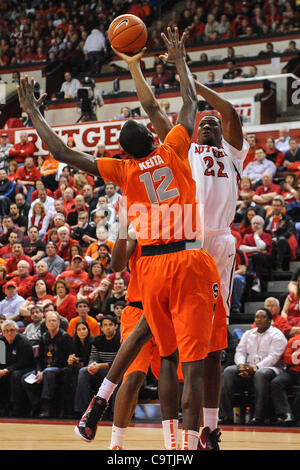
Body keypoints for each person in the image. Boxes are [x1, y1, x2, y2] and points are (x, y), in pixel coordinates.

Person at [17, 27, 223, 450]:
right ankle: (189, 446)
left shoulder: (123, 171)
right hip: (189, 259)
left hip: (150, 267)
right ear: (153, 139)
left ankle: (105, 408)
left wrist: (36, 115)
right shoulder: (172, 148)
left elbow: (63, 154)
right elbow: (187, 102)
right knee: (194, 364)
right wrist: (175, 62)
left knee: (164, 356)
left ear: (126, 153)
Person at [219, 308, 287, 425]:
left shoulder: (277, 335)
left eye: (262, 317)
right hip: (247, 367)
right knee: (229, 371)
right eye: (257, 317)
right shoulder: (248, 334)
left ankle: (259, 417)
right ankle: (225, 415)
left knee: (261, 374)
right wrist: (240, 365)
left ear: (270, 320)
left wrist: (255, 368)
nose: (259, 320)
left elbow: (273, 358)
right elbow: (240, 352)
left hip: (270, 369)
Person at [21, 310, 72, 418]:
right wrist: (39, 371)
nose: (52, 323)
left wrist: (43, 372)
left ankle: (46, 407)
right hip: (44, 369)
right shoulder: (44, 337)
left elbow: (61, 360)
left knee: (49, 372)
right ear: (46, 323)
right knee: (25, 378)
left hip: (60, 369)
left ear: (58, 322)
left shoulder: (65, 337)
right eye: (49, 321)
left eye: (54, 320)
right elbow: (38, 358)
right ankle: (36, 404)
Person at [73, 315, 120, 416]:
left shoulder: (121, 340)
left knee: (119, 375)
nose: (108, 327)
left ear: (116, 326)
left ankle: (116, 412)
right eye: (105, 325)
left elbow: (120, 363)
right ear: (101, 328)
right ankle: (84, 410)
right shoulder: (97, 340)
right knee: (83, 371)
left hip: (116, 371)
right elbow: (93, 357)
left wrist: (100, 365)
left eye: (110, 325)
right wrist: (92, 365)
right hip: (101, 371)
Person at [0, 319, 35, 417]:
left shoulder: (23, 342)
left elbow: (23, 362)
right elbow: (1, 362)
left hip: (26, 368)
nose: (9, 333)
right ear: (2, 332)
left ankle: (17, 407)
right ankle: (3, 407)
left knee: (15, 376)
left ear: (17, 330)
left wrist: (7, 370)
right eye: (6, 331)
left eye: (12, 330)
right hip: (8, 369)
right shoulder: (1, 343)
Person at [60, 321, 94, 418]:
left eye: (84, 329)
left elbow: (91, 360)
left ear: (88, 330)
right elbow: (71, 357)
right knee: (66, 375)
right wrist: (70, 360)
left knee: (76, 379)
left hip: (90, 370)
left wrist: (79, 361)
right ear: (76, 332)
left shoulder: (93, 342)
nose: (82, 332)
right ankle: (66, 410)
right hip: (76, 369)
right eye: (79, 330)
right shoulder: (74, 342)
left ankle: (81, 410)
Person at [270, 332, 300, 425]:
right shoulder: (293, 339)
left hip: (294, 367)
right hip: (292, 370)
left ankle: (295, 416)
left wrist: (295, 358)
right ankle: (286, 414)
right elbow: (286, 359)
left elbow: (290, 358)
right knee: (276, 382)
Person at [240, 215, 272, 292]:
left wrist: (256, 236)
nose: (255, 225)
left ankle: (257, 281)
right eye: (254, 223)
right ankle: (254, 280)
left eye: (258, 223)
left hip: (263, 261)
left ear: (262, 225)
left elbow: (262, 246)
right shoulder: (248, 236)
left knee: (256, 256)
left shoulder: (267, 236)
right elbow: (241, 248)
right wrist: (256, 249)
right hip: (250, 260)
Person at [264, 196, 294, 271]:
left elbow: (289, 232)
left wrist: (277, 238)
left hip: (283, 240)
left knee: (282, 240)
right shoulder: (268, 219)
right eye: (274, 206)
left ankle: (278, 265)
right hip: (270, 239)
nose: (276, 208)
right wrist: (272, 237)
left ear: (281, 207)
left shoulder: (287, 218)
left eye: (278, 206)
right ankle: (268, 268)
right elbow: (265, 231)